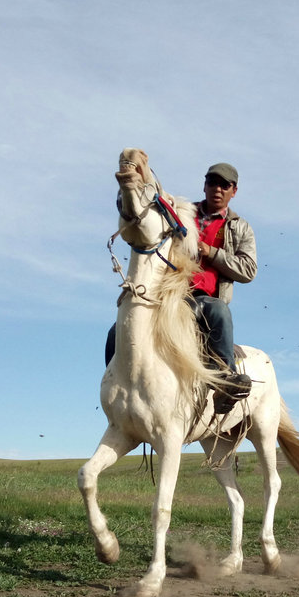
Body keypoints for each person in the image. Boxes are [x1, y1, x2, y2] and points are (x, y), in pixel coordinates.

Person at [106, 162, 257, 414]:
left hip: (203, 299)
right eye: (212, 182)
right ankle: (117, 391)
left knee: (218, 310)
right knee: (118, 330)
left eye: (224, 185)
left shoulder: (239, 227)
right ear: (204, 185)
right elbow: (149, 211)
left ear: (234, 191)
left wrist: (211, 253)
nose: (217, 189)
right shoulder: (182, 213)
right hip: (165, 296)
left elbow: (248, 270)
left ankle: (225, 382)